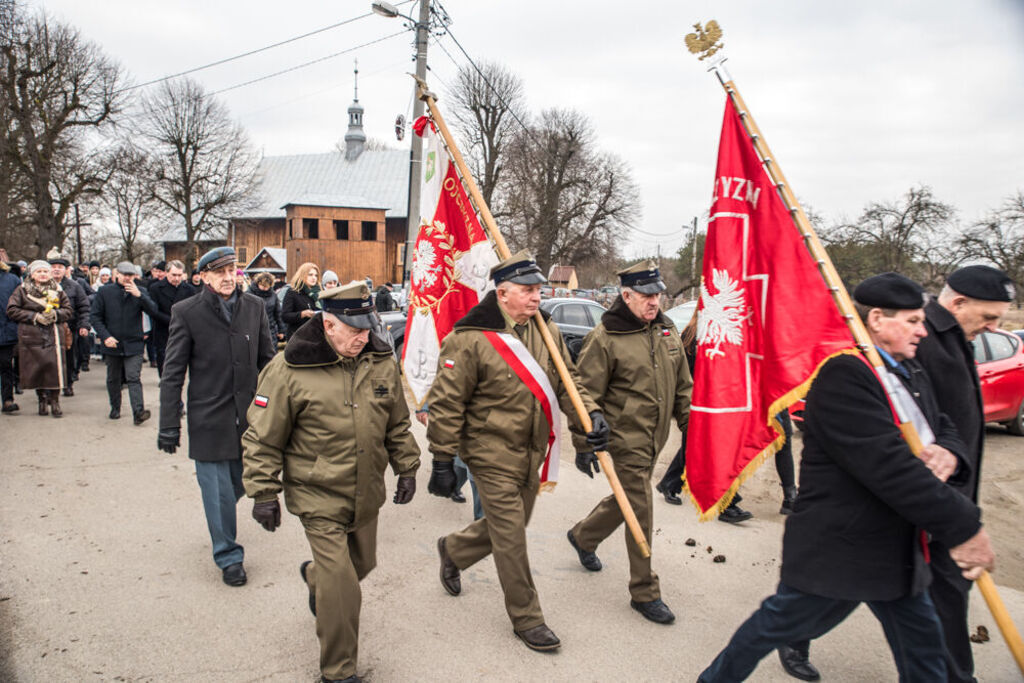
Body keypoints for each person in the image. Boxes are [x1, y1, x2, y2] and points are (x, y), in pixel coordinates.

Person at [697, 273, 996, 683]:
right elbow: (891, 469)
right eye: (912, 321)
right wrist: (966, 526)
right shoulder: (844, 375)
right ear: (876, 318)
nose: (922, 330)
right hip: (841, 550)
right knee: (771, 628)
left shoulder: (908, 370)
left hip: (896, 556)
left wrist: (949, 452)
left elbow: (946, 424)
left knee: (928, 659)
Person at [424, 251, 609, 652]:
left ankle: (453, 549)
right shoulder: (469, 338)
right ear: (502, 293)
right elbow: (446, 403)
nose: (536, 297)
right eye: (527, 290)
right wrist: (441, 459)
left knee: (511, 525)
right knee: (510, 536)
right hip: (489, 453)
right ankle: (527, 618)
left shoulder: (546, 330)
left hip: (532, 451)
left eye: (539, 290)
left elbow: (567, 380)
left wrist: (590, 417)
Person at [242, 280, 420, 683]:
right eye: (353, 329)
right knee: (343, 591)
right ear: (328, 323)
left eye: (366, 327)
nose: (362, 337)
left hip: (365, 491)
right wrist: (263, 491)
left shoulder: (381, 361)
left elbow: (397, 423)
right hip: (317, 493)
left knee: (362, 564)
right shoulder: (288, 368)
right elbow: (262, 436)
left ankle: (314, 578)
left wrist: (407, 467)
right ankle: (338, 672)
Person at [565, 261, 692, 625]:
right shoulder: (606, 337)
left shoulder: (666, 330)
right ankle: (644, 591)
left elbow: (683, 385)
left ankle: (583, 536)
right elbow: (583, 394)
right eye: (647, 296)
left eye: (658, 294)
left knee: (625, 499)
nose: (655, 301)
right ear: (627, 295)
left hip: (655, 438)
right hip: (622, 440)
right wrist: (583, 442)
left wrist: (691, 427)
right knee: (640, 507)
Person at [910, 265, 1013, 683]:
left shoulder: (956, 336)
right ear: (958, 303)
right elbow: (921, 427)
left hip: (951, 501)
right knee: (838, 584)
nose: (991, 329)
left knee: (944, 600)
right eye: (988, 318)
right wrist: (953, 511)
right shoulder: (924, 339)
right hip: (932, 502)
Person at [157, 247, 274, 587]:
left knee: (237, 484)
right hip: (208, 417)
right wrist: (168, 425)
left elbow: (268, 362)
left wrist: (278, 408)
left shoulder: (255, 307)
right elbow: (173, 372)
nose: (227, 277)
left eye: (231, 270)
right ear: (204, 277)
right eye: (218, 272)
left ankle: (220, 516)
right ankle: (228, 555)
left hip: (249, 417)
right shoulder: (187, 311)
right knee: (218, 489)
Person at [654, 314, 755, 523]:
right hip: (695, 403)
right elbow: (683, 373)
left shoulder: (714, 335)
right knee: (711, 454)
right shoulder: (692, 337)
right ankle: (727, 504)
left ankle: (669, 484)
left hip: (712, 403)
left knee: (695, 451)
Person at [90, 261, 159, 423]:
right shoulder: (105, 291)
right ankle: (115, 407)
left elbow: (153, 311)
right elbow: (95, 317)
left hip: (134, 343)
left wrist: (140, 296)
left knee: (133, 377)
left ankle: (138, 412)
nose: (128, 278)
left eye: (131, 276)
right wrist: (105, 336)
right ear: (117, 275)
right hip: (112, 343)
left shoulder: (140, 291)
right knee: (113, 378)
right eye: (125, 275)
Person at [5, 260, 73, 417]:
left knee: (54, 369)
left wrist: (56, 314)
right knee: (38, 369)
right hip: (32, 335)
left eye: (45, 271)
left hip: (53, 335)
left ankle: (55, 401)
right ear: (32, 274)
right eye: (39, 271)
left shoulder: (58, 290)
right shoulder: (21, 290)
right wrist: (33, 316)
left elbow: (68, 309)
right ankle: (42, 399)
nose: (42, 274)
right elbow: (12, 310)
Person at [46, 252, 91, 395]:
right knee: (48, 359)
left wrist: (84, 325)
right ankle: (49, 387)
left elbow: (83, 307)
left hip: (68, 328)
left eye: (60, 267)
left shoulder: (74, 286)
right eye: (53, 267)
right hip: (47, 328)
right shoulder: (42, 286)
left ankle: (68, 383)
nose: (56, 269)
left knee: (69, 358)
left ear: (66, 270)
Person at [148, 260, 196, 375]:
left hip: (183, 330)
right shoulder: (155, 288)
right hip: (163, 330)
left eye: (179, 275)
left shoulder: (189, 290)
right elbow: (154, 311)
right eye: (174, 275)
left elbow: (193, 310)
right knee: (164, 360)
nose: (177, 278)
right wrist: (171, 321)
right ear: (166, 273)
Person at [2, 261, 25, 413]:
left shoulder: (11, 279)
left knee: (5, 365)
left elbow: (22, 303)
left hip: (6, 330)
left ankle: (7, 400)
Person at [281, 262, 321, 339]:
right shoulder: (293, 292)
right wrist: (302, 314)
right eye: (310, 275)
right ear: (302, 275)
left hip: (316, 336)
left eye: (316, 275)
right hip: (298, 337)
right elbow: (285, 316)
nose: (314, 278)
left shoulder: (319, 293)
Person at [247, 272, 285, 346]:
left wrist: (281, 330)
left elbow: (278, 313)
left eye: (267, 286)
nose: (265, 288)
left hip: (270, 329)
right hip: (253, 330)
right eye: (263, 285)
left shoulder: (273, 295)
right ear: (258, 283)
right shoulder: (249, 294)